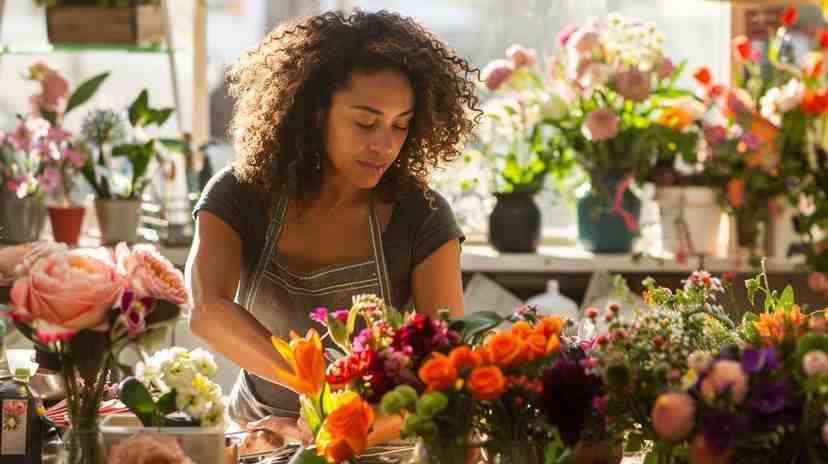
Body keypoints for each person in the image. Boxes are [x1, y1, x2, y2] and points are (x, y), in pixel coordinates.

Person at [185, 9, 480, 436]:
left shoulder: (423, 216)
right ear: (316, 111)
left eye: (401, 126)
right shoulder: (240, 192)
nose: (384, 145)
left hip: (373, 440)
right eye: (365, 122)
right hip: (259, 437)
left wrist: (341, 426)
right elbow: (206, 310)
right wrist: (318, 388)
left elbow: (442, 370)